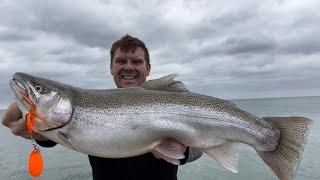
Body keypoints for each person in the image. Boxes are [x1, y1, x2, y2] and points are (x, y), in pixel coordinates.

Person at [2, 34, 202, 180]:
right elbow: (49, 133)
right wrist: (27, 115)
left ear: (148, 69)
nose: (128, 67)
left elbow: (201, 144)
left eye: (137, 62)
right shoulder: (88, 102)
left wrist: (183, 151)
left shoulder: (169, 99)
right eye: (120, 61)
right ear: (111, 68)